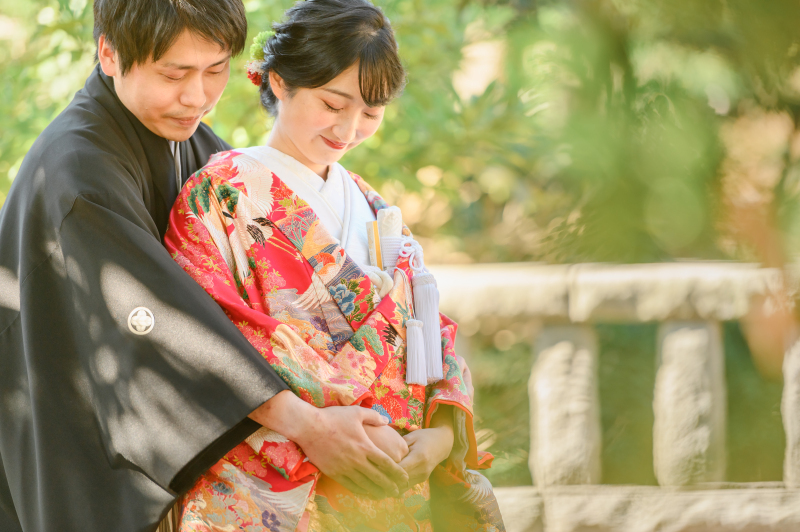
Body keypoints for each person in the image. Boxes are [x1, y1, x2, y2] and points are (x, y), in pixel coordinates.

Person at [0, 1, 408, 531]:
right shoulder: (76, 171)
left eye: (215, 70)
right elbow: (163, 325)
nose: (196, 97)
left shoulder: (191, 140)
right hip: (74, 435)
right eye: (174, 73)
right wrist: (308, 425)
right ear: (108, 54)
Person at [163, 1, 504, 530]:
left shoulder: (371, 206)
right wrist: (326, 422)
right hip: (287, 471)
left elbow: (429, 324)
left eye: (371, 111)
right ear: (280, 82)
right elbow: (208, 333)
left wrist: (439, 433)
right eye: (333, 103)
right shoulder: (221, 193)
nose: (348, 129)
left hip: (397, 480)